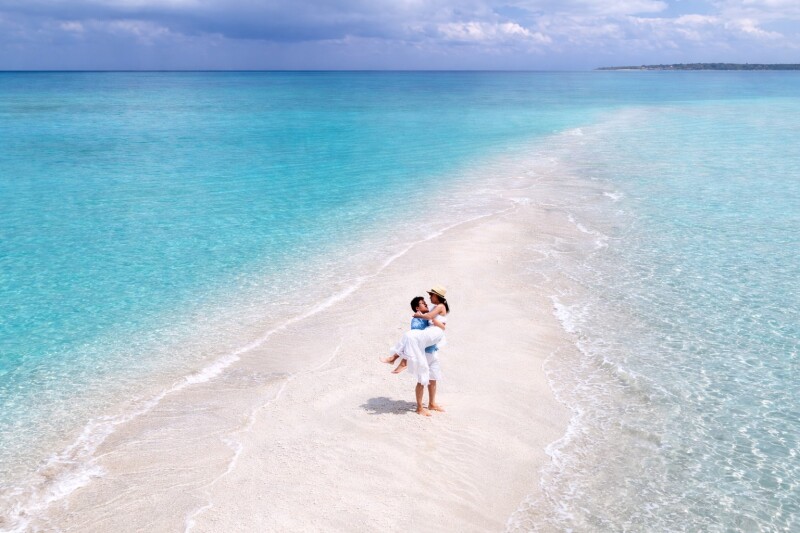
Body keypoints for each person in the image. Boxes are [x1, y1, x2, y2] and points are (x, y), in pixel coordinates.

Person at [382, 286, 450, 416]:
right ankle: (419, 407)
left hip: (433, 350)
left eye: (431, 295)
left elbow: (441, 325)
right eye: (423, 302)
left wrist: (429, 318)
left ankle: (432, 403)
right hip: (423, 352)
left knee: (433, 378)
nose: (428, 299)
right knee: (422, 379)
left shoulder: (435, 309)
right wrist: (421, 316)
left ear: (437, 296)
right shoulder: (418, 318)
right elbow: (415, 336)